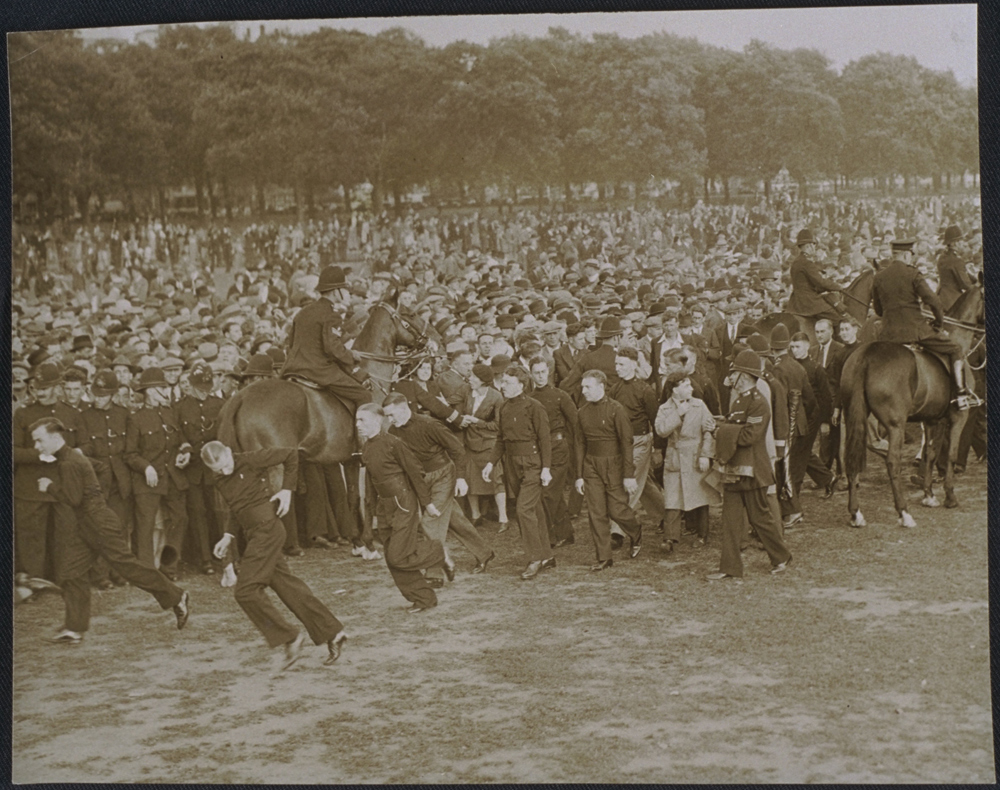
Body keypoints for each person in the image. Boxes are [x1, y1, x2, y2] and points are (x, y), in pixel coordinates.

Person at [31, 417, 190, 644]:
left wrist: (50, 487)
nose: (37, 446)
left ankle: (177, 596)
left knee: (129, 568)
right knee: (73, 572)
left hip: (98, 525)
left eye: (39, 440)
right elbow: (102, 469)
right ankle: (75, 629)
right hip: (88, 525)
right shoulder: (72, 456)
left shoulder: (69, 461)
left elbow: (73, 499)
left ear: (55, 437)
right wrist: (97, 496)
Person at [203, 440, 347, 669]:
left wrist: (286, 490)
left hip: (267, 531)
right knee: (288, 587)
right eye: (218, 470)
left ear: (229, 452)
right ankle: (333, 632)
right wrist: (228, 536)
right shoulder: (220, 479)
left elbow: (291, 454)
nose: (224, 471)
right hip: (254, 534)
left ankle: (289, 637)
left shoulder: (250, 460)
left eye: (226, 464)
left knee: (246, 591)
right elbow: (236, 508)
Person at [383, 392, 495, 579]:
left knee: (431, 520)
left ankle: (434, 572)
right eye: (387, 416)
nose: (389, 420)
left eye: (392, 415)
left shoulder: (429, 424)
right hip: (420, 480)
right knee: (453, 519)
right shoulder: (394, 431)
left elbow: (458, 450)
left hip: (443, 475)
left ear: (403, 409)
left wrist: (460, 478)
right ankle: (484, 552)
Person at [706, 350, 792, 581]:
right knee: (730, 522)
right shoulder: (740, 399)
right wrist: (721, 423)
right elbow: (738, 428)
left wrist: (720, 430)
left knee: (761, 519)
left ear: (743, 376)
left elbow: (749, 436)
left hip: (753, 471)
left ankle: (781, 556)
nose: (730, 375)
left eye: (733, 372)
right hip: (736, 471)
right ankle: (730, 567)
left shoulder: (758, 403)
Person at [356, 404, 446, 613]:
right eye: (357, 421)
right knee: (392, 557)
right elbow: (371, 481)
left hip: (403, 503)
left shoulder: (394, 444)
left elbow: (416, 472)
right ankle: (423, 598)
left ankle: (437, 552)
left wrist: (427, 504)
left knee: (398, 555)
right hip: (384, 505)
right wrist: (370, 512)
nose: (358, 425)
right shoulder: (367, 447)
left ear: (377, 421)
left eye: (363, 421)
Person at [872, 238, 977, 409]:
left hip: (888, 335)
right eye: (911, 255)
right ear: (906, 255)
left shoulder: (879, 277)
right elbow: (934, 301)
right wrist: (938, 322)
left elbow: (878, 310)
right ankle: (961, 395)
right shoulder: (913, 274)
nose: (911, 258)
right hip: (917, 331)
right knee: (955, 349)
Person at [482, 366, 554, 580]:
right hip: (512, 464)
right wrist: (490, 463)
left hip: (532, 463)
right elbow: (501, 440)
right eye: (503, 382)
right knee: (535, 509)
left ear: (521, 385)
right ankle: (547, 556)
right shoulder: (504, 408)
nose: (503, 386)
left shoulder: (535, 407)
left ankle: (535, 558)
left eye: (508, 383)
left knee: (523, 510)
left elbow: (545, 439)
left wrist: (546, 469)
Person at [13, 362, 83, 581]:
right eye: (36, 387)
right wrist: (39, 455)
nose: (39, 391)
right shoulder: (23, 414)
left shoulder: (71, 414)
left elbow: (87, 445)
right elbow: (11, 451)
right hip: (31, 487)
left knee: (65, 534)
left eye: (44, 387)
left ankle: (62, 580)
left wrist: (74, 453)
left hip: (62, 486)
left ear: (57, 387)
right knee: (32, 538)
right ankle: (34, 583)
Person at [124, 366, 192, 579]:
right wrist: (146, 467)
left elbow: (181, 440)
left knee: (180, 518)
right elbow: (130, 454)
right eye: (152, 390)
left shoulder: (169, 413)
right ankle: (146, 572)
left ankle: (169, 567)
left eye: (160, 388)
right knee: (145, 525)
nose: (157, 393)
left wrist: (186, 451)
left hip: (172, 476)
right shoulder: (136, 418)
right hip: (148, 479)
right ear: (144, 393)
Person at [574, 370, 644, 571]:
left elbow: (626, 443)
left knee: (617, 510)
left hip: (614, 464)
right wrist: (579, 476)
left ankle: (635, 530)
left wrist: (628, 474)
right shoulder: (582, 412)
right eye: (582, 387)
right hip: (591, 465)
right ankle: (604, 557)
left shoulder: (616, 410)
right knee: (596, 512)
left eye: (588, 387)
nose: (584, 391)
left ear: (601, 386)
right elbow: (579, 444)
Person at [280, 264, 371, 409]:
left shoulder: (303, 312)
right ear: (336, 292)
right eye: (345, 290)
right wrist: (351, 356)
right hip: (318, 371)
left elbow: (291, 343)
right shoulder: (331, 315)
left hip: (292, 368)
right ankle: (361, 431)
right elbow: (332, 348)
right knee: (364, 395)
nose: (347, 293)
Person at [654, 372, 721, 550]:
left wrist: (706, 455)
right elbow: (661, 430)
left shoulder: (699, 405)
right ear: (675, 390)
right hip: (675, 457)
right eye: (686, 386)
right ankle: (670, 538)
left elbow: (708, 430)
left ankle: (702, 534)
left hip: (695, 455)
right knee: (672, 498)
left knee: (700, 495)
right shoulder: (665, 408)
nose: (691, 389)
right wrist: (677, 414)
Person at [175, 362, 225, 574]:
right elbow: (178, 434)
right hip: (194, 469)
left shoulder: (221, 404)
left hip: (216, 468)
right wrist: (185, 448)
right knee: (198, 514)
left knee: (220, 513)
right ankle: (204, 558)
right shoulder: (179, 407)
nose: (203, 394)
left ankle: (226, 557)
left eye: (207, 388)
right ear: (191, 386)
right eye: (199, 389)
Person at [527, 356, 579, 548]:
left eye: (543, 372)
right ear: (531, 374)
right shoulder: (529, 398)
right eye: (536, 373)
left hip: (558, 449)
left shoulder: (560, 395)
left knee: (548, 493)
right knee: (550, 492)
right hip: (539, 450)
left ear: (548, 372)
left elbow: (575, 423)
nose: (540, 376)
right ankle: (565, 533)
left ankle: (548, 536)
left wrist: (576, 452)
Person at [460, 363, 509, 534]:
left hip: (489, 444)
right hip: (470, 443)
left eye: (473, 377)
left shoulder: (496, 397)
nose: (470, 379)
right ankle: (476, 515)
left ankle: (503, 517)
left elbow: (498, 425)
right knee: (470, 479)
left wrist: (476, 422)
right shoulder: (467, 392)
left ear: (482, 380)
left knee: (496, 480)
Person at [786, 228, 844, 326]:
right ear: (809, 246)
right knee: (838, 319)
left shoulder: (796, 262)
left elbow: (810, 283)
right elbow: (820, 282)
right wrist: (839, 287)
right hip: (810, 302)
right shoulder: (806, 263)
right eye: (814, 245)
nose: (815, 248)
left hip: (796, 302)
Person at [936, 225, 973, 311]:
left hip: (941, 296)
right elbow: (965, 284)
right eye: (961, 240)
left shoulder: (942, 256)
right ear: (955, 242)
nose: (963, 243)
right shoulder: (956, 260)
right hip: (953, 300)